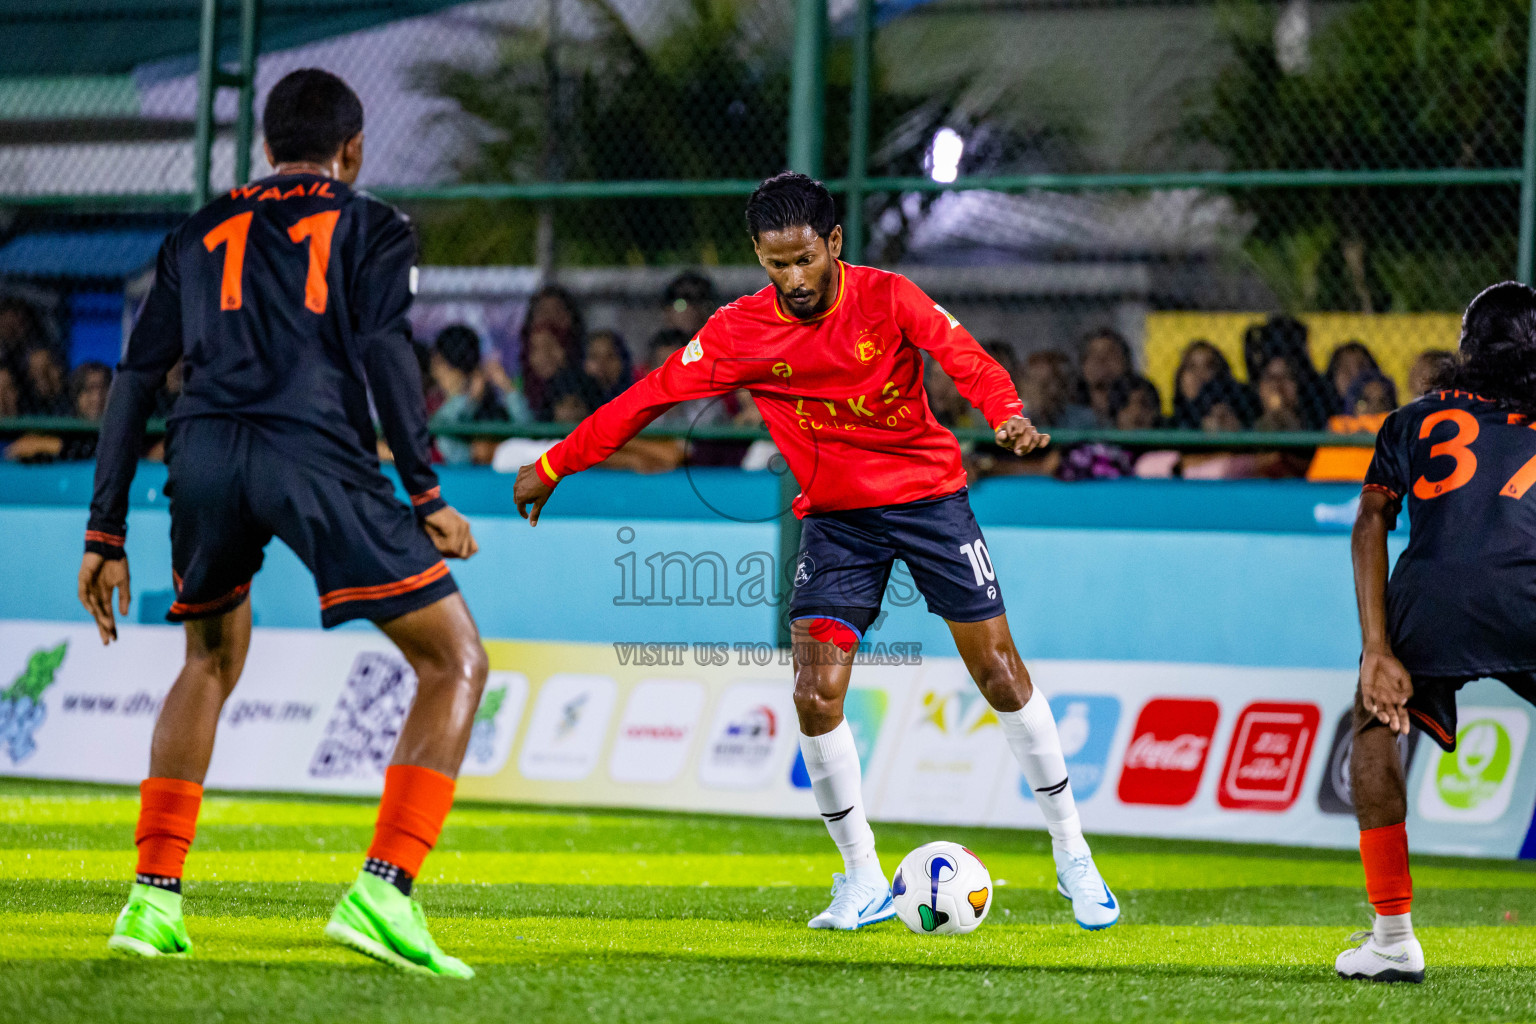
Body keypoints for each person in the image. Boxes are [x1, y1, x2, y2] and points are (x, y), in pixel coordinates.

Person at [512, 171, 1119, 933]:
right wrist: (551, 464)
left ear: (833, 243)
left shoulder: (888, 297)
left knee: (998, 670)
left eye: (804, 259)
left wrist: (1005, 413)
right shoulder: (739, 331)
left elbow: (963, 356)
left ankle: (1072, 852)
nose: (793, 279)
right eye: (775, 264)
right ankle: (861, 876)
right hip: (838, 520)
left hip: (930, 499)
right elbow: (648, 398)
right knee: (812, 693)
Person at [77, 69, 486, 978]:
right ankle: (384, 891)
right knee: (454, 659)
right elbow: (383, 350)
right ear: (354, 150)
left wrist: (104, 532)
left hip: (204, 454)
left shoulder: (197, 231)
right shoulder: (374, 223)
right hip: (314, 453)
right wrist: (425, 492)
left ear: (265, 150)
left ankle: (151, 901)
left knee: (207, 659)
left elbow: (134, 379)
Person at [1338, 280, 1536, 983]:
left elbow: (1370, 524)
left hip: (1434, 597)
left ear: (1466, 347)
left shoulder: (1413, 419)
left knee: (1373, 727)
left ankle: (1392, 939)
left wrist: (1377, 650)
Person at [429, 324, 525, 465]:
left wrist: (508, 389)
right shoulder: (438, 405)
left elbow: (529, 436)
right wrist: (468, 400)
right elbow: (442, 437)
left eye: (440, 364)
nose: (436, 372)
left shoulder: (494, 409)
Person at [1079, 328, 1133, 425]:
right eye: (1093, 354)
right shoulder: (1070, 414)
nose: (1101, 360)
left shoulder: (1139, 410)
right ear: (1083, 365)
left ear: (1126, 363)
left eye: (1111, 354)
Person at [662, 270, 717, 336]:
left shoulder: (721, 343)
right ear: (668, 311)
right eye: (681, 305)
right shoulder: (662, 345)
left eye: (703, 304)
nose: (692, 310)